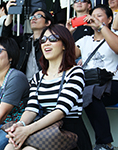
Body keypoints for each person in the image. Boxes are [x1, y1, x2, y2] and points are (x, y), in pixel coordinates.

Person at [4, 24, 92, 150]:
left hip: (68, 134)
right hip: (45, 129)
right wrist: (20, 125)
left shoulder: (75, 72)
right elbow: (31, 109)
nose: (46, 43)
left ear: (64, 44)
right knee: (10, 147)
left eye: (53, 39)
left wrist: (27, 130)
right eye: (43, 40)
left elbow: (61, 111)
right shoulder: (38, 77)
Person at [75, 4, 118, 150]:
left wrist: (101, 27)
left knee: (89, 94)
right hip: (89, 83)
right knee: (75, 98)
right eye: (93, 15)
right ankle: (82, 144)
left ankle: (105, 143)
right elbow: (66, 56)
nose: (95, 18)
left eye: (99, 15)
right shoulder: (85, 40)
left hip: (112, 83)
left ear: (110, 18)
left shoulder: (114, 36)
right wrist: (68, 31)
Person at [2, 0, 53, 82]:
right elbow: (5, 40)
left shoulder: (52, 42)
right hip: (23, 84)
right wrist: (10, 14)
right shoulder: (25, 40)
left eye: (38, 16)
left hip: (44, 83)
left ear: (48, 23)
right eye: (32, 17)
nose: (34, 18)